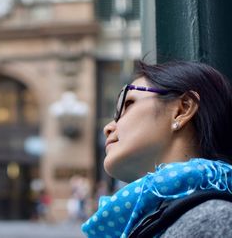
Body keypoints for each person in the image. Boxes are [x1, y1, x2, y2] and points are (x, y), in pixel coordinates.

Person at [82, 61, 232, 238]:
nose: (108, 127)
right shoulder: (151, 218)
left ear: (182, 109)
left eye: (128, 103)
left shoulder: (213, 217)